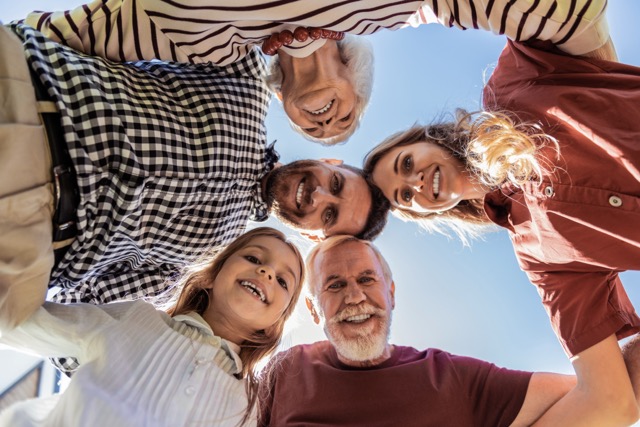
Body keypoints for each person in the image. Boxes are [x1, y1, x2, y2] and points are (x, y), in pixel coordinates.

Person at [0, 23, 389, 373]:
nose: (318, 195)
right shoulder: (248, 83)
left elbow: (85, 314)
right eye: (335, 183)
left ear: (313, 235)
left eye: (328, 216)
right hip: (28, 96)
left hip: (30, 230)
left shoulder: (211, 264)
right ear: (330, 160)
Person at [363, 34, 640, 425]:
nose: (417, 184)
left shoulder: (513, 86)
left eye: (406, 164)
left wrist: (598, 58)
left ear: (425, 140)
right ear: (428, 214)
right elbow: (611, 401)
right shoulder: (541, 259)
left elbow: (567, 15)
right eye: (405, 196)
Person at [21, 0, 613, 145]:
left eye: (316, 133)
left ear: (279, 105)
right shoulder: (391, 10)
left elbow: (55, 36)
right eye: (349, 117)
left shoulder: (203, 43)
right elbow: (569, 15)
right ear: (358, 82)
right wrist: (611, 122)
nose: (329, 126)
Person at [257, 235, 624, 426]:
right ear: (312, 309)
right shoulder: (286, 371)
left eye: (367, 279)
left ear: (391, 292)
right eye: (334, 285)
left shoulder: (450, 378)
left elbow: (603, 396)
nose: (354, 297)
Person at [0, 227, 304, 427]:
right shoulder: (135, 319)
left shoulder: (251, 407)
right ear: (210, 277)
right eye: (253, 257)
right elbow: (22, 321)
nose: (266, 271)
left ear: (275, 326)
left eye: (282, 280)